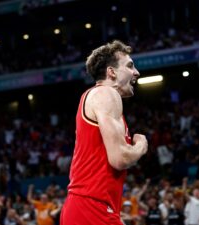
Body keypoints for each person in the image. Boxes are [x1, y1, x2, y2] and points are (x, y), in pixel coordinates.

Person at [60, 40, 148, 225]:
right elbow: (120, 158)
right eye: (130, 66)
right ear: (111, 72)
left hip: (90, 208)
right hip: (91, 207)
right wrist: (141, 145)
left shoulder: (98, 97)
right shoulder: (107, 94)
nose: (136, 72)